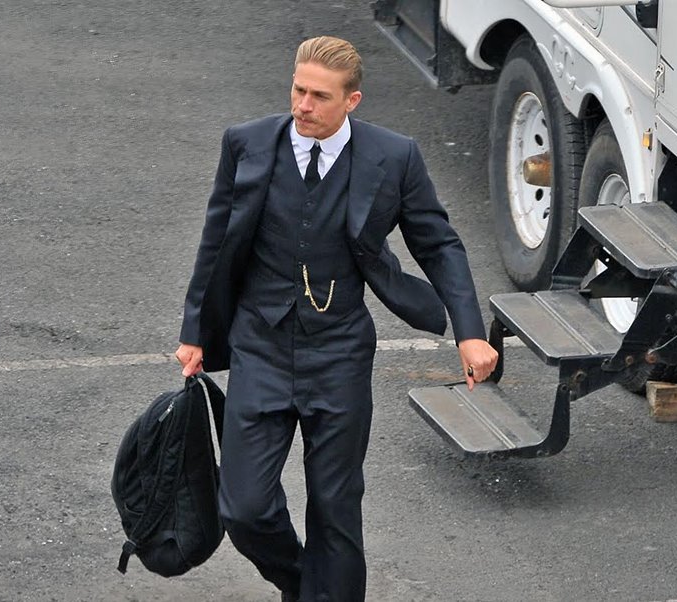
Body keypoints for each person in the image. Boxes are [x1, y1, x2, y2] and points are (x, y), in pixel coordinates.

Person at [175, 36, 498, 602]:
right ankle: (302, 584)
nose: (303, 105)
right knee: (244, 508)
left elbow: (439, 244)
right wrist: (195, 332)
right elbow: (217, 239)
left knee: (336, 507)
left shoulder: (394, 156)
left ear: (352, 101)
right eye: (298, 90)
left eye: (320, 96)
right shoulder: (247, 143)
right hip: (260, 346)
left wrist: (469, 333)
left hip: (340, 351)